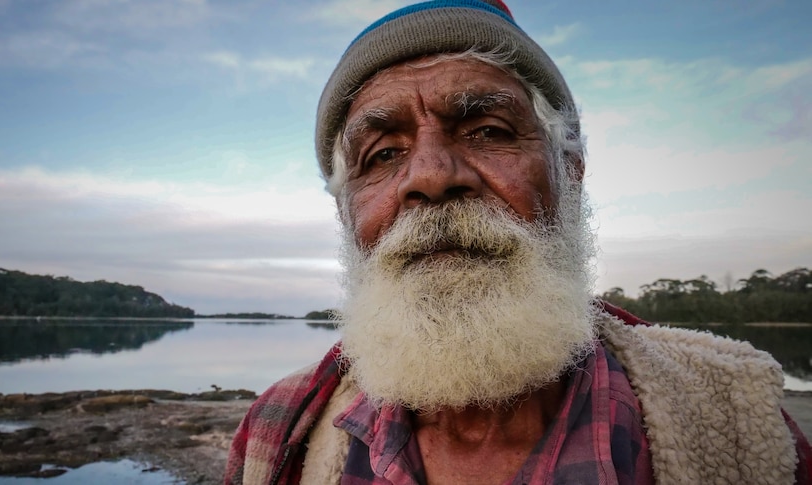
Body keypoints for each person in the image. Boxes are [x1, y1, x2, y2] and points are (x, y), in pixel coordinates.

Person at [224, 1, 811, 483]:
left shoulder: (736, 420)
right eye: (383, 155)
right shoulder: (277, 431)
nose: (430, 175)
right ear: (345, 212)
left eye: (487, 131)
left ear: (569, 172)